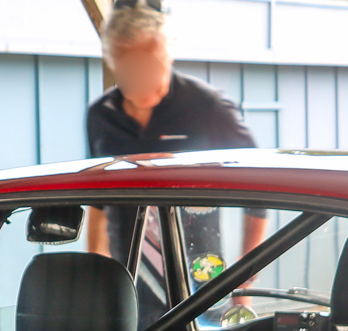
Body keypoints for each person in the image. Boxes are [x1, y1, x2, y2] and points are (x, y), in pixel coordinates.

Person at [85, 1, 267, 273]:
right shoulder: (101, 115)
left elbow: (259, 186)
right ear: (113, 62)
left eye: (151, 64)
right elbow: (97, 198)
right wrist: (96, 265)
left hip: (203, 270)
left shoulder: (208, 106)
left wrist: (246, 273)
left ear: (169, 55)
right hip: (129, 271)